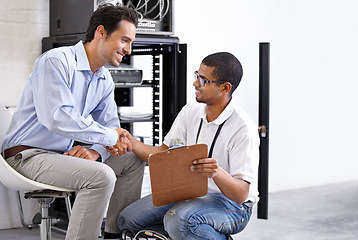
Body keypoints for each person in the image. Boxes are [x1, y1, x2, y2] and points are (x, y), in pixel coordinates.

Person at [0, 4, 145, 240]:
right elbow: (57, 117)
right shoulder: (56, 61)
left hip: (60, 158)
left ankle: (114, 236)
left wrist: (95, 152)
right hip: (26, 157)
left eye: (131, 43)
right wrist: (109, 138)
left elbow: (111, 128)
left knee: (131, 160)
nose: (128, 49)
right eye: (124, 40)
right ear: (101, 32)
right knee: (101, 177)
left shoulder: (104, 80)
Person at [116, 52, 260, 240]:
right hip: (191, 194)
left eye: (203, 80)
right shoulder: (191, 111)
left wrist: (217, 172)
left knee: (179, 221)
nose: (195, 83)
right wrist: (131, 141)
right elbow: (162, 153)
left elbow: (241, 194)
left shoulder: (243, 127)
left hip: (233, 205)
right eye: (196, 75)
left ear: (225, 87)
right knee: (127, 220)